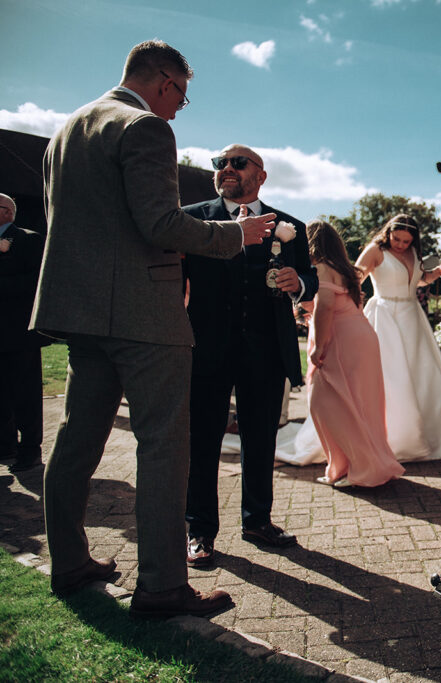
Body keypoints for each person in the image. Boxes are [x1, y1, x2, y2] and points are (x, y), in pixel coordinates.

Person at [31, 40, 275, 616]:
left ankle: (69, 562)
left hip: (81, 310)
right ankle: (163, 585)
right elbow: (161, 224)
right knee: (166, 445)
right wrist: (238, 236)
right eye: (181, 99)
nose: (176, 111)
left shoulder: (68, 128)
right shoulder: (144, 128)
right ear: (165, 82)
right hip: (141, 311)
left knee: (76, 439)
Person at [182, 143, 318, 567]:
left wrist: (299, 284)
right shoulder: (191, 219)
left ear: (260, 175)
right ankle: (199, 531)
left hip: (264, 349)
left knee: (260, 439)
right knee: (202, 438)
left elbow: (310, 280)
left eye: (237, 163)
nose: (226, 169)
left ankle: (258, 520)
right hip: (206, 346)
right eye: (219, 163)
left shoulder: (288, 226)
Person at [356, 214, 441, 461]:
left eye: (406, 241)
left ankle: (436, 438)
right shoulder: (375, 250)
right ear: (388, 233)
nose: (400, 245)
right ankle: (394, 439)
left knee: (423, 373)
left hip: (412, 317)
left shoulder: (413, 253)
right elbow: (356, 277)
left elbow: (420, 281)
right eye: (397, 239)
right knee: (391, 375)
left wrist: (439, 271)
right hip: (384, 315)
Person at [304, 220, 404, 487]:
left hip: (343, 340)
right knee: (360, 404)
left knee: (327, 404)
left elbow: (325, 308)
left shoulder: (323, 267)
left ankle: (361, 469)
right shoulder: (344, 268)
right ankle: (347, 467)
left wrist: (319, 347)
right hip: (361, 336)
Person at [0, 193, 48, 473]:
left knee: (25, 393)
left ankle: (30, 449)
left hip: (19, 331)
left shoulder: (29, 239)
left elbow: (35, 281)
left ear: (8, 212)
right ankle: (5, 444)